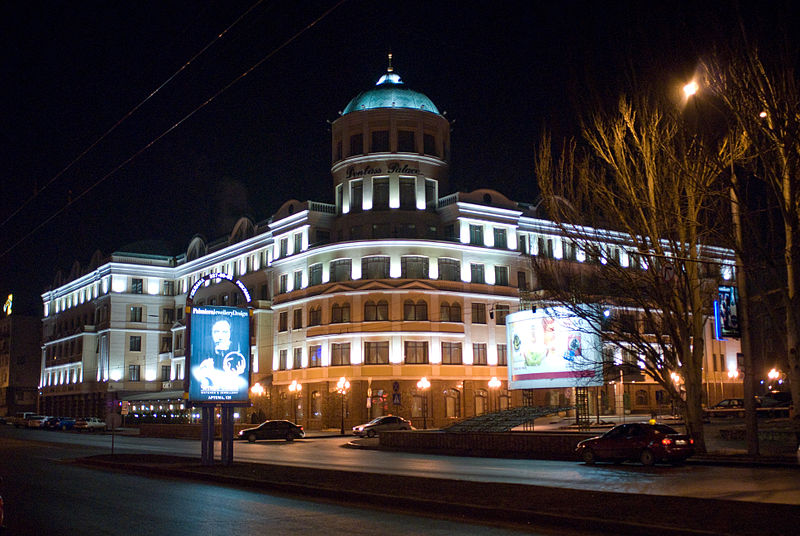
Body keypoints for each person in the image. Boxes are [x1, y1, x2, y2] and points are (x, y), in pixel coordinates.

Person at [192, 318, 246, 391]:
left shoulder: (238, 355)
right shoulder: (203, 354)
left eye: (224, 332)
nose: (220, 337)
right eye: (216, 332)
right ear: (211, 333)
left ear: (230, 333)